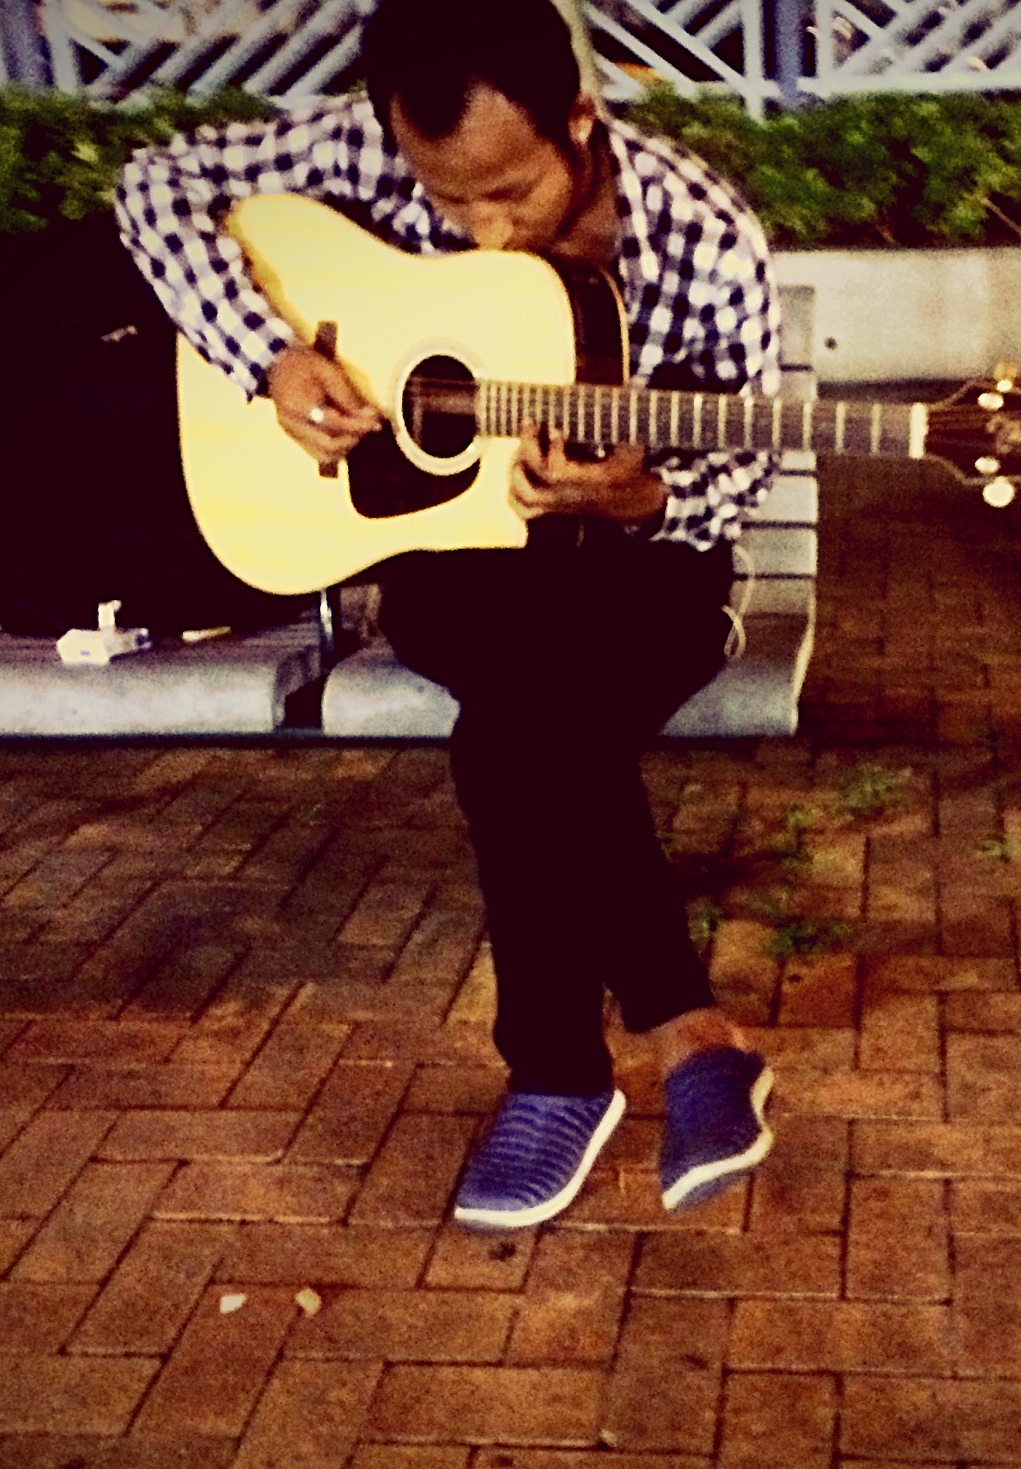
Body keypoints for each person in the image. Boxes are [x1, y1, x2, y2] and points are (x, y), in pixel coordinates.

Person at [115, 0, 779, 1228]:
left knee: (517, 730)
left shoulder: (700, 230)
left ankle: (565, 1071)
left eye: (511, 193)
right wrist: (269, 355)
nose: (483, 230)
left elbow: (742, 464)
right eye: (446, 198)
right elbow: (152, 185)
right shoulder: (358, 148)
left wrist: (643, 493)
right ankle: (688, 1032)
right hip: (458, 566)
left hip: (648, 574)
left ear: (581, 118)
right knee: (533, 705)